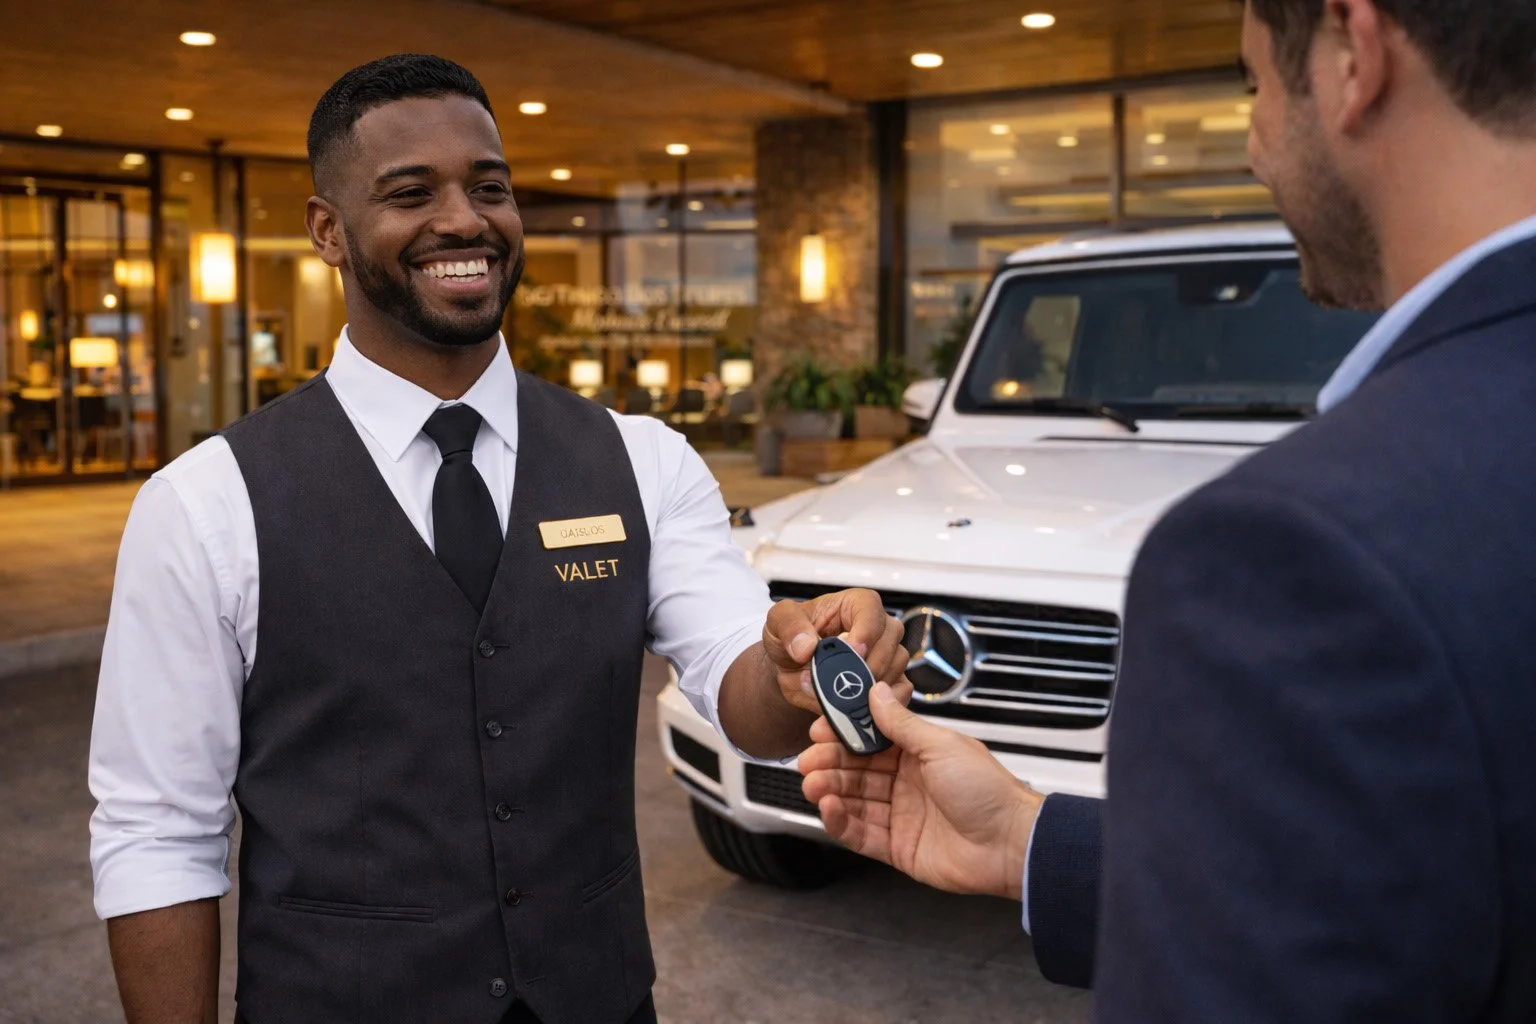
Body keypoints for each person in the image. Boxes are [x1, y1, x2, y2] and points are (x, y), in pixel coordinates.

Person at [87, 54, 908, 1024]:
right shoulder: (205, 504)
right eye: (410, 192)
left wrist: (792, 667)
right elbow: (157, 832)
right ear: (327, 231)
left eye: (490, 187)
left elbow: (735, 672)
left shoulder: (641, 460)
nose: (465, 220)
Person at [801, 0, 1536, 1018]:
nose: (1253, 144)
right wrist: (1029, 840)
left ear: (1353, 51)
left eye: (1255, 87)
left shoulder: (1294, 543)